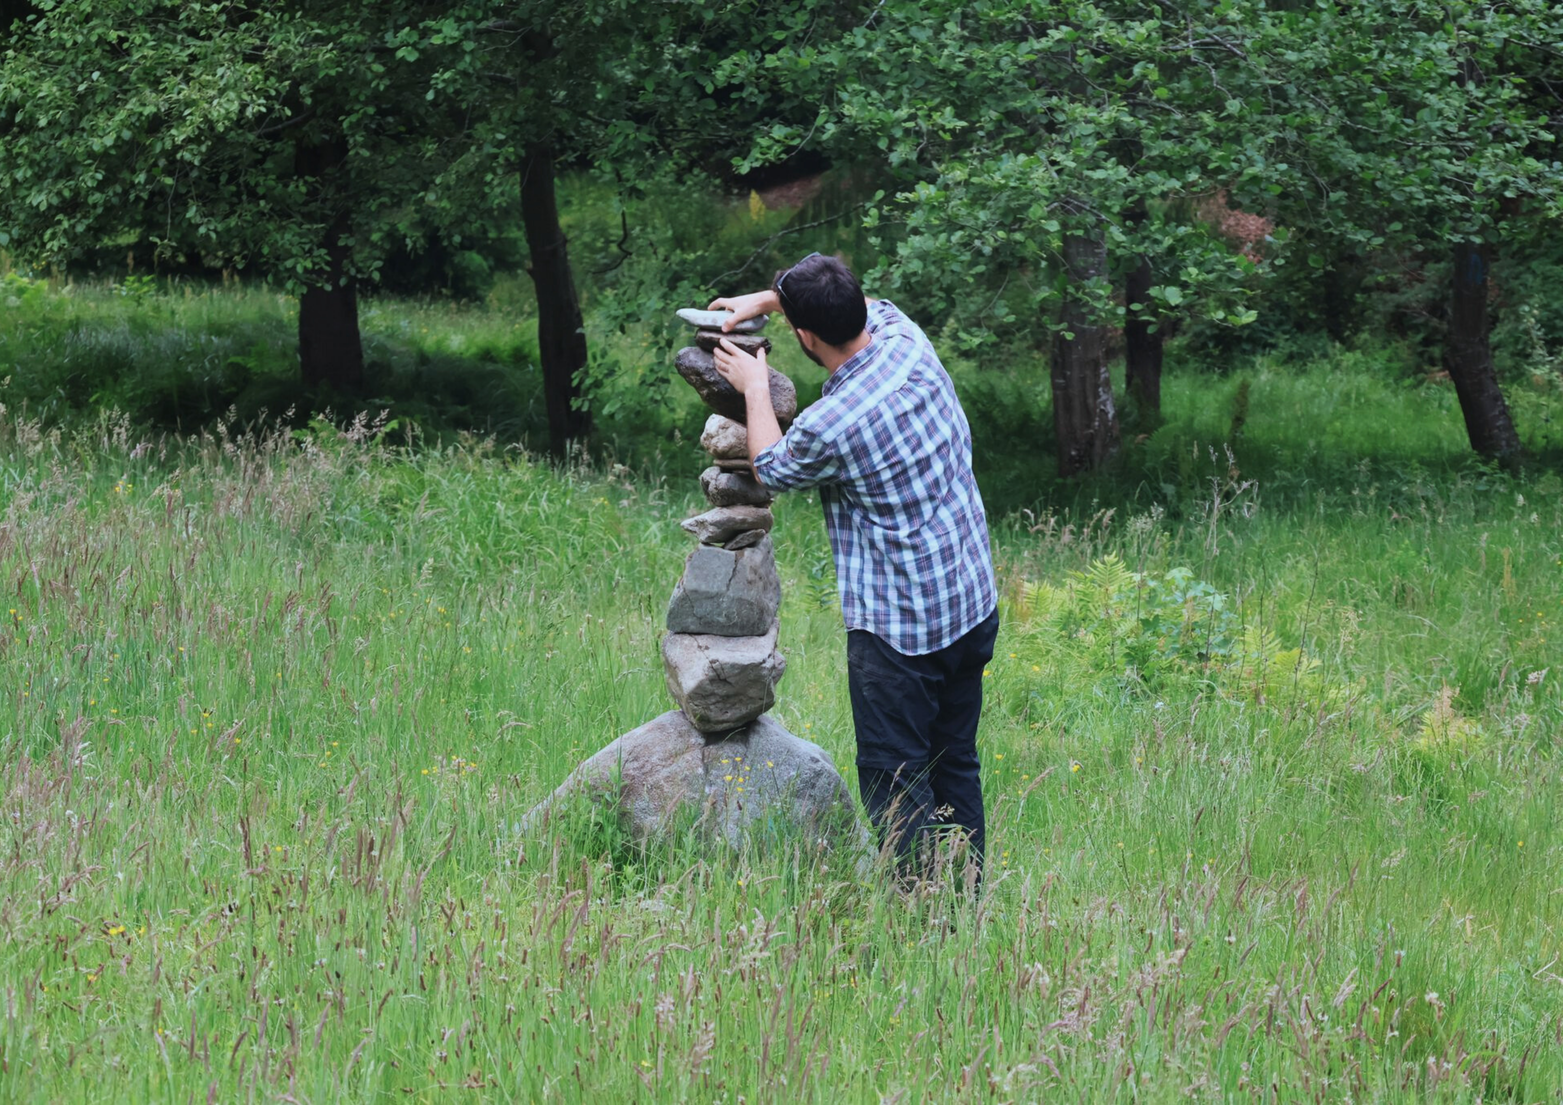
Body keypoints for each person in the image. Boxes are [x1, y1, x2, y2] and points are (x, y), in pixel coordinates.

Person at [708, 252, 998, 884]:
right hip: (970, 602)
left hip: (902, 633)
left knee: (896, 776)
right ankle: (964, 897)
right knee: (954, 760)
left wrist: (755, 386)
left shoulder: (833, 424)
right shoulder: (904, 337)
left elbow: (771, 466)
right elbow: (860, 307)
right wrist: (770, 299)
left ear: (805, 337)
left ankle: (922, 912)